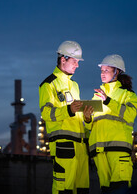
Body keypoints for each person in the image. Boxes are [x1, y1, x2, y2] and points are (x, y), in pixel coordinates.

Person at [39, 40, 93, 194]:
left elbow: (77, 119)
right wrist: (68, 110)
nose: (77, 65)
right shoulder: (48, 85)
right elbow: (46, 113)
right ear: (63, 60)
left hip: (81, 148)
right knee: (64, 189)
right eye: (75, 61)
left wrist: (87, 118)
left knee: (81, 190)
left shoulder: (74, 85)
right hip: (64, 146)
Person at [83, 54, 137, 194]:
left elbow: (130, 115)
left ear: (117, 71)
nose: (103, 74)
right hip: (99, 151)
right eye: (102, 70)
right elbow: (90, 126)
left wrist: (108, 101)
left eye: (106, 70)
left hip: (118, 150)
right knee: (106, 189)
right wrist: (87, 118)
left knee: (120, 188)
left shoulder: (128, 95)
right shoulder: (97, 96)